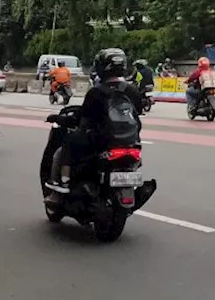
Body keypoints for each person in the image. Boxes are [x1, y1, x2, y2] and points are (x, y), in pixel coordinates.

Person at [47, 48, 143, 197]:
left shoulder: (97, 92)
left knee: (68, 142)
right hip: (130, 141)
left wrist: (60, 119)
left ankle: (64, 182)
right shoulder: (131, 90)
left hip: (100, 141)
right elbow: (137, 113)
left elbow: (82, 118)